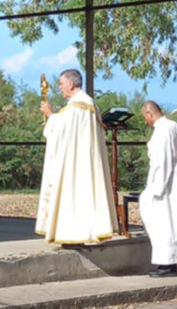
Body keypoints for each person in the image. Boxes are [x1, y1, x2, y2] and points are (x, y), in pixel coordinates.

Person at [34, 69, 118, 244]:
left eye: (61, 84)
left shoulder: (77, 106)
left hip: (75, 163)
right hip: (85, 161)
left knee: (74, 195)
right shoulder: (89, 104)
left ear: (71, 84)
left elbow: (61, 131)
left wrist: (50, 115)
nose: (60, 88)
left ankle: (74, 233)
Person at [139, 101, 177, 277]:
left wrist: (156, 188)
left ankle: (167, 263)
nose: (146, 122)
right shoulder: (176, 127)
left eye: (145, 118)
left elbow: (162, 160)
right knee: (174, 219)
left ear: (149, 114)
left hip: (166, 180)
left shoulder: (163, 131)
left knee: (164, 221)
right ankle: (168, 261)